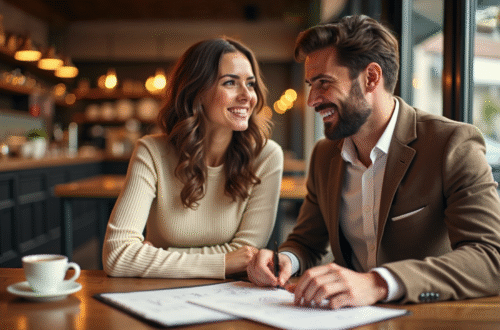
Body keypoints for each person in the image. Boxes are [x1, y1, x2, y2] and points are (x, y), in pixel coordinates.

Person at [248, 15, 500, 308]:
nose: (312, 99)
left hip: (426, 317)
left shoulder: (452, 144)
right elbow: (306, 242)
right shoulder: (324, 155)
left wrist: (378, 283)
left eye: (324, 83)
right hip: (345, 318)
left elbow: (490, 257)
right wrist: (286, 260)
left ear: (371, 78)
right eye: (310, 85)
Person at [102, 37, 283, 279]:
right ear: (197, 91)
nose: (247, 96)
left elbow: (245, 256)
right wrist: (223, 261)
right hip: (156, 296)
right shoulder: (152, 151)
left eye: (250, 84)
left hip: (231, 296)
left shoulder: (267, 156)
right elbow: (117, 255)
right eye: (230, 83)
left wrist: (159, 255)